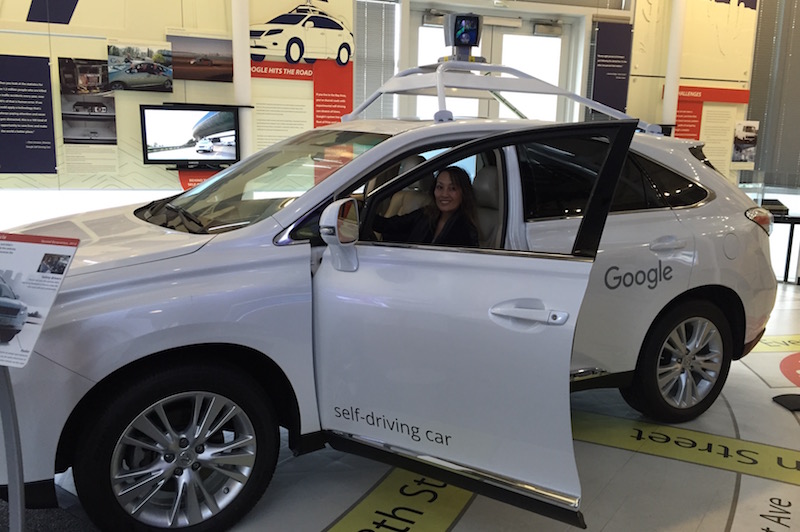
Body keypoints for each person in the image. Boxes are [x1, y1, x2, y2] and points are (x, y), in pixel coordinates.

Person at [374, 166, 479, 247]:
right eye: (440, 187)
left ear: (464, 193)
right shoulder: (426, 215)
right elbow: (389, 225)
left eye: (452, 188)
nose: (444, 194)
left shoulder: (467, 231)